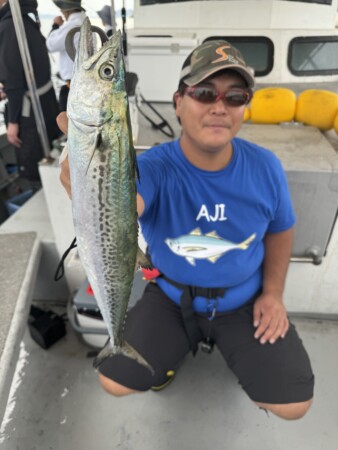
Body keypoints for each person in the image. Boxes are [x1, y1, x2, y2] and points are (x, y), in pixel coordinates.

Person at [58, 40, 314, 420]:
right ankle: (169, 359)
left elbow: (280, 230)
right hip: (170, 299)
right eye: (204, 92)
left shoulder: (267, 166)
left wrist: (273, 294)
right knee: (115, 381)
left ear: (245, 107)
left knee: (293, 405)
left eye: (235, 96)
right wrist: (88, 174)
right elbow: (130, 201)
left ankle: (230, 354)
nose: (218, 107)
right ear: (179, 102)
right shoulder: (155, 167)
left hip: (244, 302)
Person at [0, 0, 61, 191]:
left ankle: (43, 201)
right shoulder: (27, 21)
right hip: (47, 104)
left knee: (34, 168)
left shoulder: (10, 26)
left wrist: (12, 123)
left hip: (30, 115)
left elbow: (15, 82)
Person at [46, 0, 86, 112]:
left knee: (65, 126)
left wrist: (56, 26)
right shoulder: (84, 21)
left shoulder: (72, 25)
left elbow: (50, 45)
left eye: (62, 8)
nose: (61, 11)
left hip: (72, 86)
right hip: (83, 83)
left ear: (67, 10)